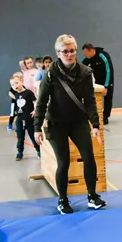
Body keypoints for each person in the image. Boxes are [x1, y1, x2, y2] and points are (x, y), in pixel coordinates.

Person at [34, 35, 107, 214]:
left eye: (72, 50)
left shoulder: (85, 72)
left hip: (78, 121)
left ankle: (92, 196)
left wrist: (95, 125)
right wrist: (37, 128)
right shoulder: (51, 74)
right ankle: (63, 200)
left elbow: (89, 101)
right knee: (63, 161)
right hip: (56, 123)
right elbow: (42, 102)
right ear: (58, 53)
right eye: (65, 51)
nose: (69, 54)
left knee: (88, 156)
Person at [82, 44, 115, 125]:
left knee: (108, 98)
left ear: (91, 50)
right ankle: (93, 115)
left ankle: (105, 116)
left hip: (106, 80)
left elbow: (109, 70)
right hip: (95, 82)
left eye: (86, 54)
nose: (85, 56)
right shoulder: (86, 60)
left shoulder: (103, 56)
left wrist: (106, 86)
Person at [11, 73, 40, 161]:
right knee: (20, 137)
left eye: (16, 83)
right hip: (20, 119)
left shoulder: (28, 93)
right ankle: (20, 152)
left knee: (32, 136)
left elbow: (35, 101)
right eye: (12, 84)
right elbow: (16, 105)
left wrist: (35, 110)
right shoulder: (16, 95)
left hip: (29, 119)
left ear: (22, 82)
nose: (15, 86)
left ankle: (38, 150)